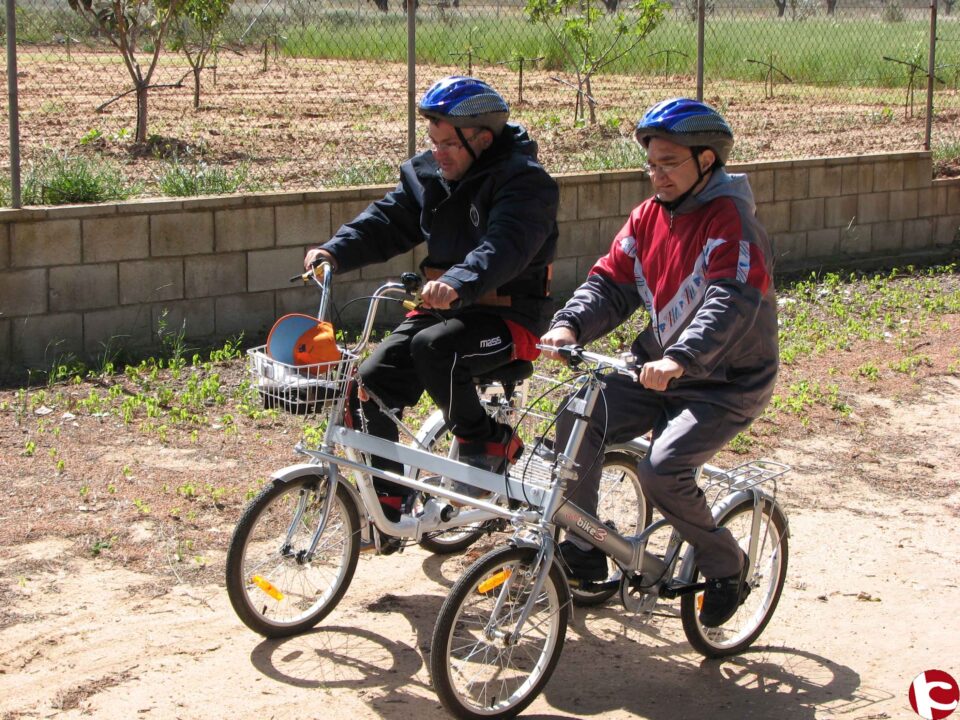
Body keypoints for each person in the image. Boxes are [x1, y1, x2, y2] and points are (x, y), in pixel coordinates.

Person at [540, 98, 778, 628]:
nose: (657, 175)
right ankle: (583, 547)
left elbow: (730, 299)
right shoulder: (648, 217)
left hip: (726, 383)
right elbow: (610, 281)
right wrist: (569, 324)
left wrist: (681, 358)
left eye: (669, 163)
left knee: (662, 469)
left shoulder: (732, 220)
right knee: (579, 415)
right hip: (659, 371)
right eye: (651, 164)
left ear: (707, 161)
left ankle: (726, 564)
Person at [304, 76, 559, 538]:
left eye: (449, 144)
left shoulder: (525, 183)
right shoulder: (432, 177)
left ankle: (488, 442)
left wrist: (458, 281)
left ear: (483, 139)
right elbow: (387, 220)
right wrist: (334, 251)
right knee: (372, 380)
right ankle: (390, 505)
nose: (438, 153)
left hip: (509, 315)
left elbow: (506, 246)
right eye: (434, 142)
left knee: (435, 348)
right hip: (448, 308)